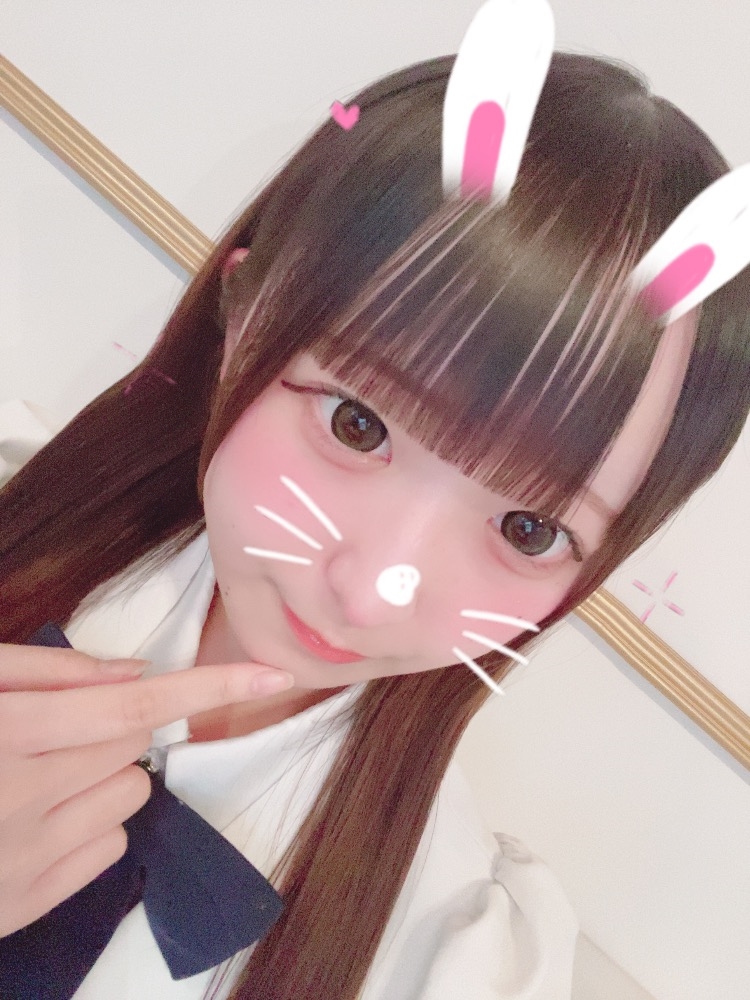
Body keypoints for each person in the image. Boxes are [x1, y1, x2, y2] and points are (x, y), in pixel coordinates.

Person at [1, 14, 750, 1000]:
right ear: (245, 314)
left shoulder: (455, 960)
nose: (369, 590)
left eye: (528, 529)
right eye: (357, 425)